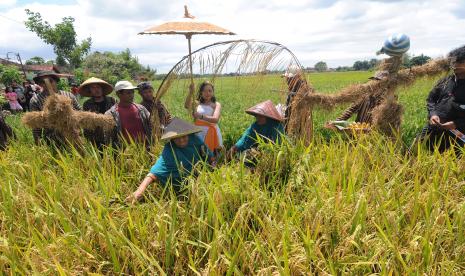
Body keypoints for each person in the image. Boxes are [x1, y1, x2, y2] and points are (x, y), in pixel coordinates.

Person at [126, 118, 214, 203]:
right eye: (177, 138)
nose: (181, 140)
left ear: (188, 134)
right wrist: (139, 191)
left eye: (184, 136)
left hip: (201, 181)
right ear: (172, 139)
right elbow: (154, 173)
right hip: (179, 187)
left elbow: (209, 157)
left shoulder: (195, 140)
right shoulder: (169, 150)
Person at [415, 45, 465, 152]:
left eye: (459, 63)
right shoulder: (445, 81)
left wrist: (456, 124)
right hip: (433, 127)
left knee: (451, 162)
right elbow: (431, 99)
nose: (455, 67)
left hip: (457, 133)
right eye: (454, 63)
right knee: (417, 152)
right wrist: (433, 114)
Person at [29, 71, 81, 145]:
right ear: (40, 84)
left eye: (50, 81)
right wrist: (38, 141)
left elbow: (79, 111)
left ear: (55, 81)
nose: (47, 84)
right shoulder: (35, 100)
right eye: (43, 82)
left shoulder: (68, 95)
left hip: (73, 134)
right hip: (52, 137)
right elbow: (36, 124)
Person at [105, 80, 152, 148]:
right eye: (128, 93)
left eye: (132, 92)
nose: (132, 95)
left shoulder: (141, 108)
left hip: (146, 148)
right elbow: (108, 137)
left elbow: (152, 123)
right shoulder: (110, 114)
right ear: (119, 94)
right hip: (126, 152)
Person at [79, 77, 116, 149]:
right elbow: (86, 123)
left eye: (98, 87)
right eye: (93, 88)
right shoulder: (87, 104)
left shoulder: (112, 100)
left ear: (102, 89)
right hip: (96, 138)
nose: (96, 90)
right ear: (90, 90)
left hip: (112, 136)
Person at [189, 81, 223, 153]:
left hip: (211, 132)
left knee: (213, 153)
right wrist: (190, 92)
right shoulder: (197, 103)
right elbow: (186, 105)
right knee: (200, 152)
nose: (207, 93)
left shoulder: (216, 104)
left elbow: (215, 119)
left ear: (213, 92)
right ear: (201, 92)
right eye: (204, 91)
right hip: (199, 132)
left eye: (210, 91)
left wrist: (200, 116)